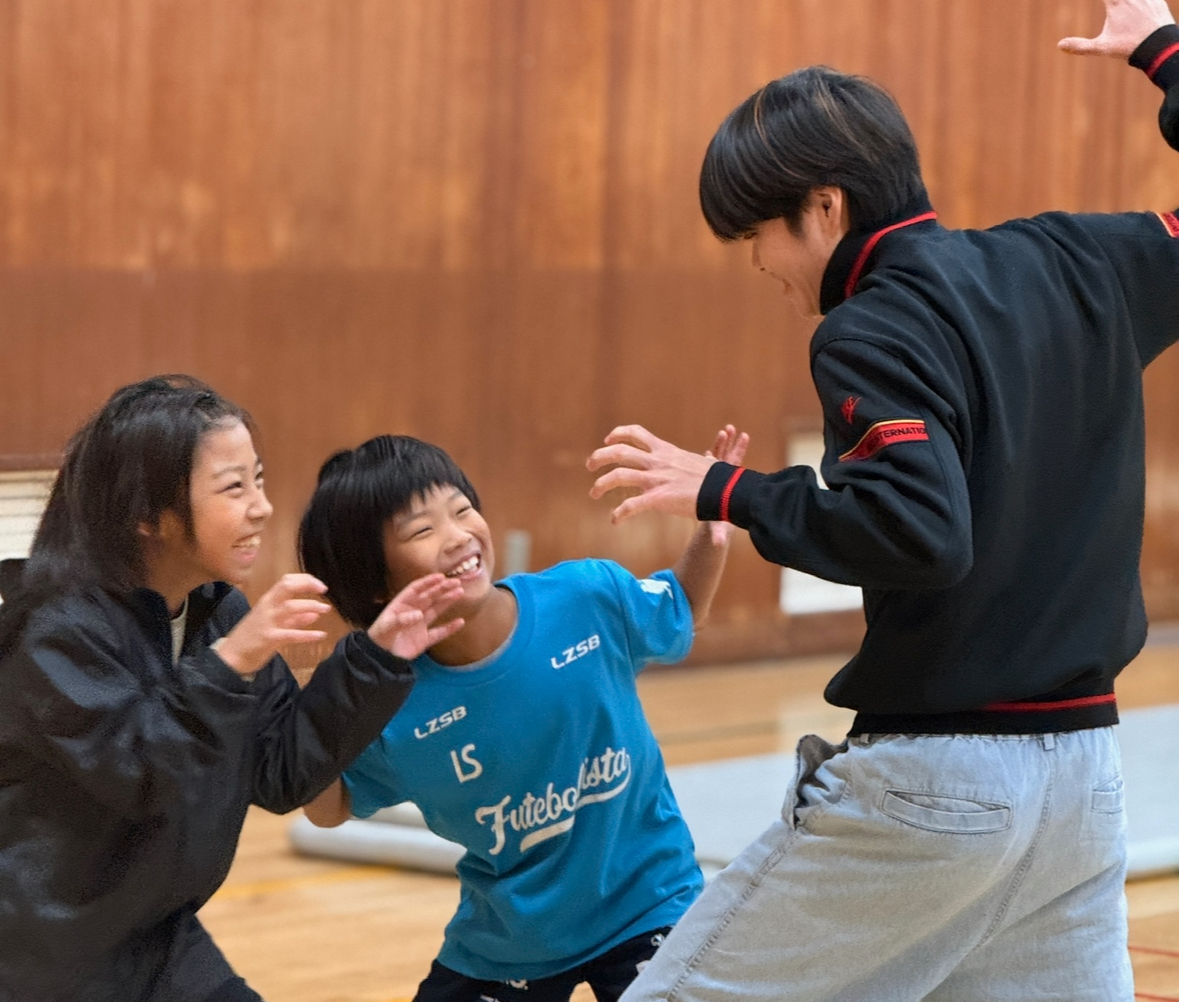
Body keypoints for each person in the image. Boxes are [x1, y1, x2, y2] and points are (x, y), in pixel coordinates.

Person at [584, 1, 1179, 1000]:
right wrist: (1166, 56)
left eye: (757, 238)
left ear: (823, 209)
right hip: (1084, 784)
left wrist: (726, 489)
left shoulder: (869, 326)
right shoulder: (1085, 261)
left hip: (939, 786)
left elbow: (915, 529)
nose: (763, 269)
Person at [0, 375, 466, 1002]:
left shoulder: (216, 615)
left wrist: (376, 659)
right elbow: (142, 772)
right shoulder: (56, 630)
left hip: (156, 940)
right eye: (234, 487)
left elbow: (279, 774)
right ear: (149, 516)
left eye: (261, 479)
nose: (262, 507)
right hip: (36, 959)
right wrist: (237, 657)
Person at [298, 428, 746, 1002]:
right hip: (509, 941)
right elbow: (329, 807)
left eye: (461, 510)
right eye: (423, 529)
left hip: (650, 904)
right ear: (375, 582)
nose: (458, 536)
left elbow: (680, 605)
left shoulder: (586, 596)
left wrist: (711, 532)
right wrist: (308, 711)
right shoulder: (391, 706)